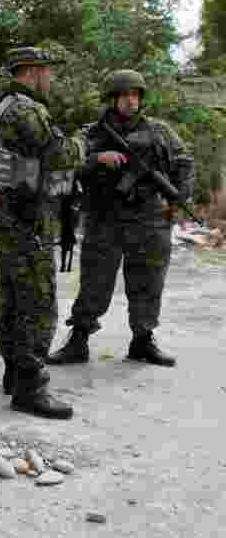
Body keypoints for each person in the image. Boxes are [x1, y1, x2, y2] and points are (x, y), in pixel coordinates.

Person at [46, 70, 194, 368]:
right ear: (112, 99)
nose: (131, 100)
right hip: (105, 216)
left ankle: (143, 339)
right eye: (125, 95)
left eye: (136, 95)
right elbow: (64, 160)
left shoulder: (159, 131)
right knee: (95, 281)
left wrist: (179, 199)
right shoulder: (93, 133)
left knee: (148, 280)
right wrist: (97, 159)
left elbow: (183, 162)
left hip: (149, 216)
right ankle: (79, 340)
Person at [0, 47, 84, 419]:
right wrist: (85, 143)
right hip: (27, 218)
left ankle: (13, 371)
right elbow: (61, 156)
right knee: (37, 302)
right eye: (46, 72)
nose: (49, 78)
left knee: (10, 296)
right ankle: (31, 385)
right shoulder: (27, 110)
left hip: (5, 213)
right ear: (32, 72)